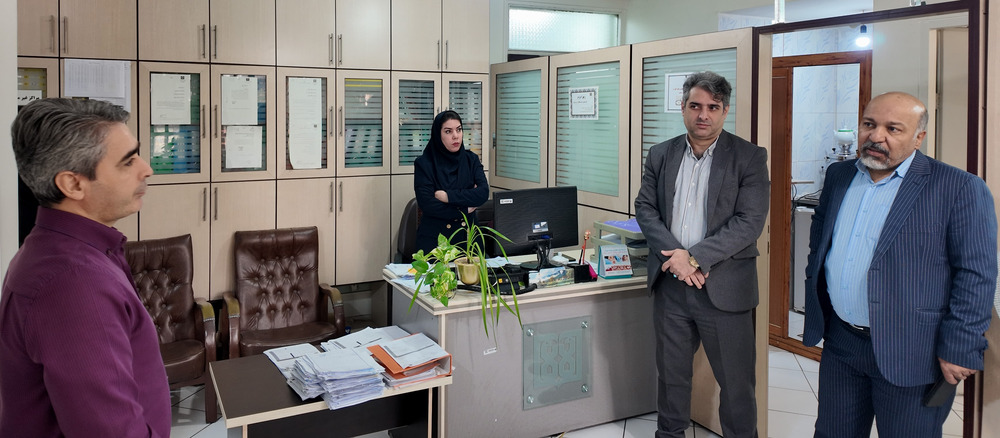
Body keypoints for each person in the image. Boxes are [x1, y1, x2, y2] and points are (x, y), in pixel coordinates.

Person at [803, 91, 997, 437]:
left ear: (918, 138)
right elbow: (819, 247)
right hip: (842, 342)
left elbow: (976, 275)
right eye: (869, 124)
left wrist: (961, 346)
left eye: (893, 129)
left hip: (913, 350)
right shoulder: (840, 175)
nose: (876, 136)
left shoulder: (958, 187)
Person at [0, 98, 169, 437]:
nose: (147, 169)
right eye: (128, 161)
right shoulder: (72, 283)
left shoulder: (73, 252)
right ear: (74, 184)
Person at [635, 71, 770, 438]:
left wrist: (692, 258)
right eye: (695, 106)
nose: (703, 115)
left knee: (737, 385)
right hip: (671, 286)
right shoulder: (661, 154)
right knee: (672, 376)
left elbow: (749, 222)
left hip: (724, 288)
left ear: (725, 111)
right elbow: (645, 208)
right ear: (683, 107)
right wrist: (677, 261)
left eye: (713, 107)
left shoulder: (749, 157)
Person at [412, 110, 489, 254]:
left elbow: (483, 193)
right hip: (436, 242)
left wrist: (448, 197)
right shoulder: (424, 164)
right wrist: (464, 209)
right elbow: (427, 204)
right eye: (448, 131)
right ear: (438, 134)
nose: (456, 136)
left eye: (459, 130)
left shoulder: (471, 160)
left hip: (468, 240)